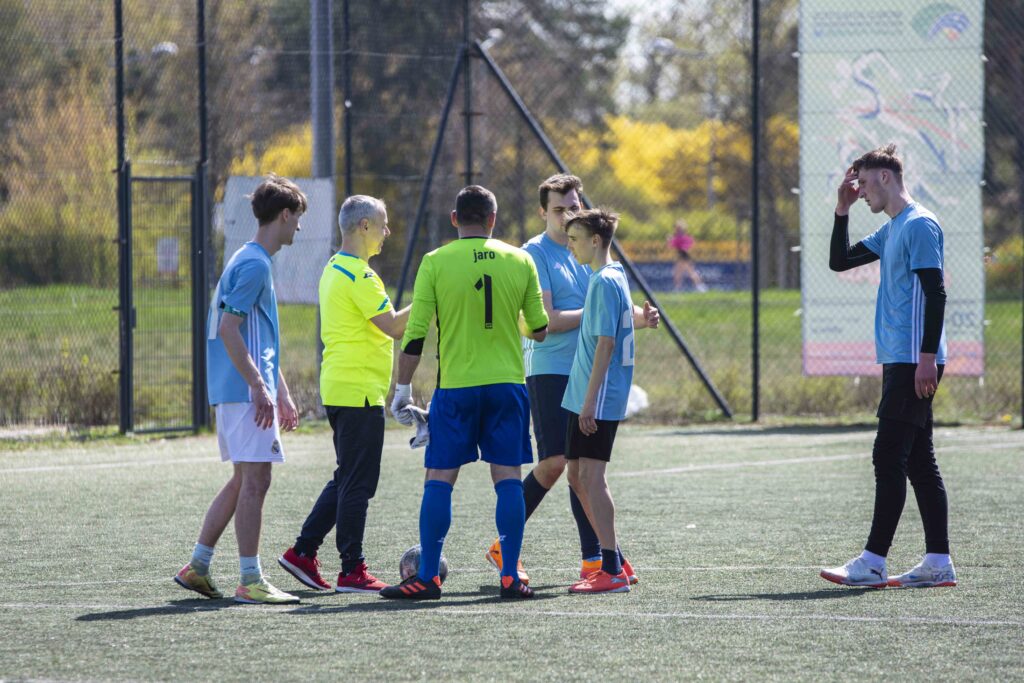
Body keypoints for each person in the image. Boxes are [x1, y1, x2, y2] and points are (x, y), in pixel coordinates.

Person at [485, 174, 658, 584]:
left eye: (573, 208)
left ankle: (597, 559)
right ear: (543, 212)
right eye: (559, 209)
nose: (567, 216)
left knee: (578, 467)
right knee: (556, 463)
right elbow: (546, 320)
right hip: (549, 367)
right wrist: (599, 311)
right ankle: (505, 545)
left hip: (584, 369)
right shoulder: (534, 253)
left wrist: (639, 317)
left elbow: (611, 310)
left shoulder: (588, 252)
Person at [380, 185, 549, 601]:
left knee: (440, 479)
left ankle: (426, 578)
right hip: (507, 385)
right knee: (508, 479)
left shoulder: (435, 261)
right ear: (493, 220)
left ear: (454, 218)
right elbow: (539, 329)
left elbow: (415, 334)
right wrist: (511, 321)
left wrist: (402, 389)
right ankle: (510, 576)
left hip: (456, 389)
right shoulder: (521, 259)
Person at [821, 144, 955, 589]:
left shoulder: (919, 224)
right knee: (918, 460)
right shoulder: (893, 228)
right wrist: (841, 211)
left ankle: (873, 562)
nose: (860, 192)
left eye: (862, 183)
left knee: (888, 455)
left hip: (914, 360)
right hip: (901, 359)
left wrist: (926, 359)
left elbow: (936, 294)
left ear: (885, 177)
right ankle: (938, 563)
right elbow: (840, 261)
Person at [174, 174, 305, 604]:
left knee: (243, 480)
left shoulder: (247, 258)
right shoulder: (254, 265)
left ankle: (198, 567)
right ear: (283, 215)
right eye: (297, 217)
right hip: (243, 392)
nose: (299, 226)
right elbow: (229, 329)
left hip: (239, 390)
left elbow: (255, 337)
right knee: (257, 480)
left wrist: (279, 390)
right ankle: (250, 580)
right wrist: (258, 387)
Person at [277, 196, 410, 594]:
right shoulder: (359, 275)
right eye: (383, 225)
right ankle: (352, 569)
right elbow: (394, 327)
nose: (387, 232)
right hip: (358, 392)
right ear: (364, 226)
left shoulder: (335, 267)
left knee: (347, 477)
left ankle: (303, 552)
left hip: (343, 387)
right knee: (358, 484)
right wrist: (431, 298)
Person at [561, 208, 636, 594]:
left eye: (575, 239)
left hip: (598, 396)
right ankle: (617, 560)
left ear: (595, 240)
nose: (570, 246)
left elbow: (606, 343)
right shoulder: (609, 275)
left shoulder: (606, 280)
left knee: (592, 477)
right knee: (576, 476)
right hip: (582, 394)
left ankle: (612, 570)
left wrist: (589, 403)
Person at [668, 219, 706, 292]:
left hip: (685, 256)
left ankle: (699, 286)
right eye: (677, 228)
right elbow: (672, 246)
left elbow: (689, 245)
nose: (678, 230)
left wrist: (672, 240)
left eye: (679, 228)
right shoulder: (677, 237)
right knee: (679, 272)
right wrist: (670, 240)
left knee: (689, 272)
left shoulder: (685, 237)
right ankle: (679, 287)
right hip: (681, 255)